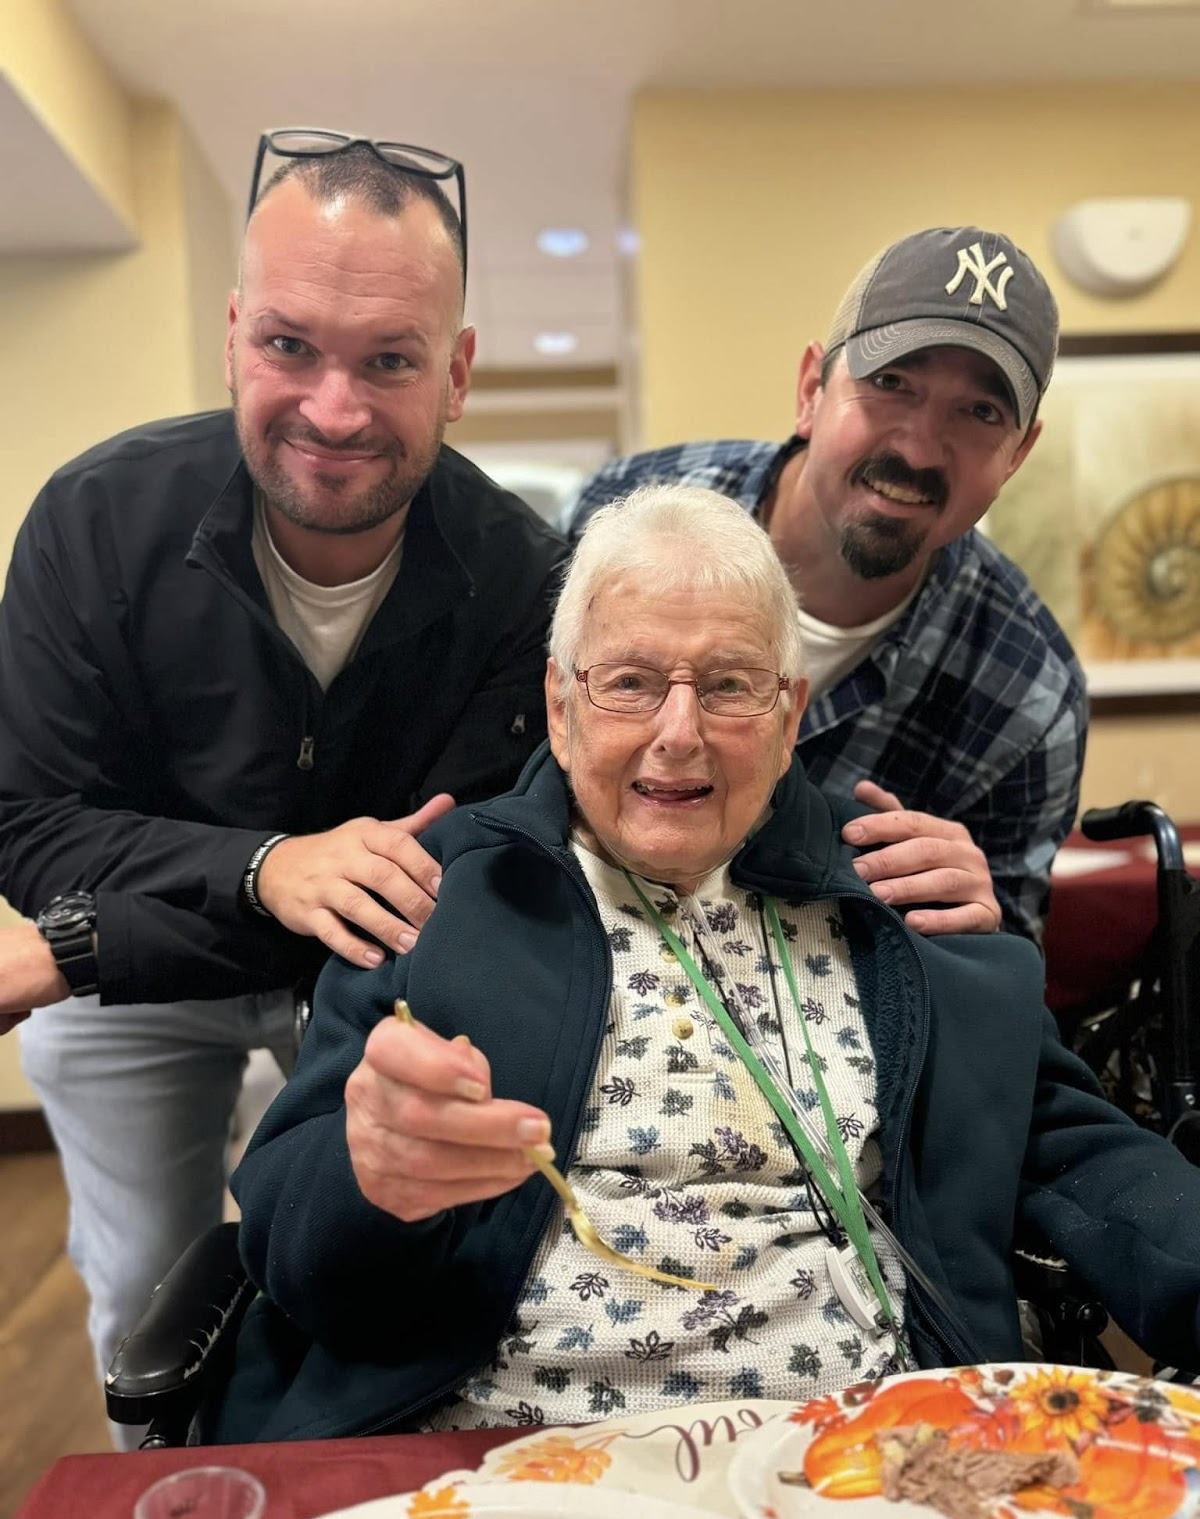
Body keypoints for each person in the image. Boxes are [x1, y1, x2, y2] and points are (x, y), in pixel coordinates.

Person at [215, 485, 1200, 1444]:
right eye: (630, 682)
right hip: (500, 1457)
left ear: (787, 713)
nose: (677, 735)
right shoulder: (433, 892)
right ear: (560, 708)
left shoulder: (902, 893)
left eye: (728, 684)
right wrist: (372, 1178)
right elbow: (295, 1252)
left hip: (864, 1462)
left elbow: (1087, 1159)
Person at [0, 132, 566, 1434]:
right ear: (234, 336)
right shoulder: (92, 524)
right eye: (292, 347)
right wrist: (263, 868)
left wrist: (62, 948)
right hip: (125, 983)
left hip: (354, 973)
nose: (335, 407)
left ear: (458, 373)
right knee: (141, 1294)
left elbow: (448, 877)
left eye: (390, 360)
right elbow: (27, 826)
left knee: (365, 1280)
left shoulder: (525, 579)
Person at [565, 227, 1088, 944]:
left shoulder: (1028, 698)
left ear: (1018, 453)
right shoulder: (620, 515)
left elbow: (1010, 1002)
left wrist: (976, 927)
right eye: (892, 384)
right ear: (812, 389)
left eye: (980, 412)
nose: (916, 447)